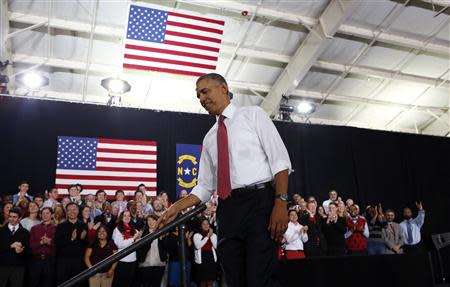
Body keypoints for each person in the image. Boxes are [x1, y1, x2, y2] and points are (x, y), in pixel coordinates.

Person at [158, 73, 291, 287]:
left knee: (259, 278)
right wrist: (175, 207)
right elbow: (204, 186)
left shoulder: (253, 115)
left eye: (205, 91)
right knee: (233, 278)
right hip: (227, 210)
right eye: (198, 95)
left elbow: (280, 162)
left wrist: (281, 202)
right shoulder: (209, 137)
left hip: (259, 204)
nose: (201, 98)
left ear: (223, 88)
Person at [55, 202, 88, 286]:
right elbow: (58, 244)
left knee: (78, 284)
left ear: (78, 211)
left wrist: (82, 238)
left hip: (79, 261)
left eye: (74, 209)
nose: (72, 212)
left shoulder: (83, 225)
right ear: (66, 212)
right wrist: (72, 239)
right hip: (64, 261)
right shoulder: (60, 226)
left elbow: (86, 245)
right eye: (69, 210)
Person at [0, 207, 30, 287]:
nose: (11, 219)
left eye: (14, 217)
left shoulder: (25, 232)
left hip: (18, 267)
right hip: (2, 266)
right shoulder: (1, 231)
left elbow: (28, 251)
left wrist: (21, 251)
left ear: (19, 218)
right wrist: (10, 246)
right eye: (10, 216)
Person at [137, 214, 167, 287]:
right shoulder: (143, 233)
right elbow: (141, 249)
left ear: (157, 221)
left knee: (156, 284)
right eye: (149, 220)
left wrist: (162, 239)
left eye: (153, 220)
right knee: (146, 284)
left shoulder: (162, 231)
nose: (151, 222)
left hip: (159, 263)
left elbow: (166, 247)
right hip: (146, 264)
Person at [112, 210, 140, 287]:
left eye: (129, 216)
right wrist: (133, 238)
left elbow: (138, 241)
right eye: (125, 215)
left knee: (129, 283)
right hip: (122, 260)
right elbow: (120, 244)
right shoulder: (117, 229)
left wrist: (136, 239)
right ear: (121, 217)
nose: (127, 217)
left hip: (133, 259)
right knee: (120, 283)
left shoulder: (133, 229)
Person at [29, 207, 56, 287]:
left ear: (52, 215)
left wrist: (49, 242)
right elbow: (30, 245)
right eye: (43, 213)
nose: (45, 215)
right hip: (36, 261)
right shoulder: (34, 228)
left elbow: (58, 247)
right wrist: (40, 242)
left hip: (50, 261)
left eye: (47, 213)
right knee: (33, 283)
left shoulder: (56, 229)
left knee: (48, 284)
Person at [193, 218, 218, 287]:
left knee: (210, 281)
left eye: (207, 224)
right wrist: (207, 237)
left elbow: (216, 246)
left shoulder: (213, 235)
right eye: (204, 224)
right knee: (202, 282)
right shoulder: (196, 235)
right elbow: (198, 246)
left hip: (211, 258)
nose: (206, 226)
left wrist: (211, 235)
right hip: (202, 259)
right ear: (200, 226)